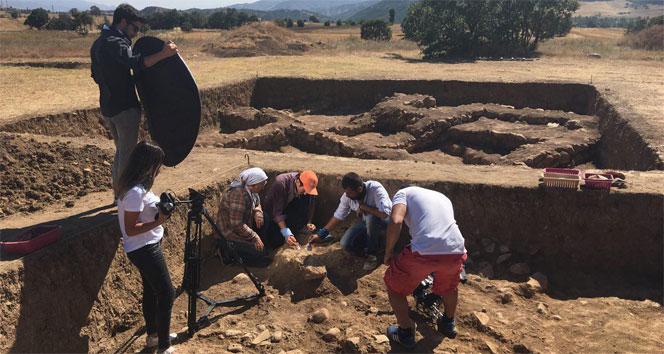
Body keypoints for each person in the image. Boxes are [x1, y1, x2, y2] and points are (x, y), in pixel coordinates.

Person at [91, 3, 178, 196]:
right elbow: (137, 63)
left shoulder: (98, 43)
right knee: (128, 157)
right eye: (135, 28)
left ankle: (118, 194)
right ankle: (124, 198)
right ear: (123, 22)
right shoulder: (116, 43)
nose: (136, 33)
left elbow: (96, 76)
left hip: (107, 107)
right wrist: (163, 54)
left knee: (121, 152)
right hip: (124, 108)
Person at [383, 186, 467, 349]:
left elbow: (396, 221)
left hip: (424, 250)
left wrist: (388, 251)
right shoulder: (443, 197)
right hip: (455, 248)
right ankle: (448, 322)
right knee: (449, 287)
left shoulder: (402, 194)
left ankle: (405, 333)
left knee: (394, 287)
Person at [116, 141, 176, 354]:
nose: (159, 170)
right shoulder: (134, 192)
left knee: (151, 291)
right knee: (167, 293)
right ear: (148, 164)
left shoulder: (137, 187)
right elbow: (131, 229)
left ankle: (154, 336)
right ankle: (164, 346)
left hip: (148, 244)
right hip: (144, 248)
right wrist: (159, 221)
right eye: (157, 165)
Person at [309, 172, 392, 270]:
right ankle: (372, 248)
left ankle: (372, 255)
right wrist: (320, 234)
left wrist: (364, 207)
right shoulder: (347, 196)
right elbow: (338, 216)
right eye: (346, 192)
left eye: (350, 193)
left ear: (359, 189)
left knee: (371, 217)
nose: (347, 195)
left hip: (385, 223)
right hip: (366, 223)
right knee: (345, 243)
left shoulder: (375, 189)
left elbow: (384, 214)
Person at [216, 167, 269, 263]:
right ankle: (226, 253)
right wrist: (254, 237)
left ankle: (260, 247)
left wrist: (258, 212)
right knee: (259, 254)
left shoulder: (251, 191)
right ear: (252, 185)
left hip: (241, 227)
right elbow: (236, 224)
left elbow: (257, 203)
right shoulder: (238, 195)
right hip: (229, 233)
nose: (264, 187)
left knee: (264, 217)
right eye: (262, 184)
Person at [260, 171, 318, 249]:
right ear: (297, 182)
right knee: (276, 241)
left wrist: (309, 222)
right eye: (304, 190)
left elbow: (312, 203)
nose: (305, 193)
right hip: (274, 214)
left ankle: (299, 226)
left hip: (291, 211)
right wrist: (286, 233)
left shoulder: (308, 184)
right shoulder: (280, 183)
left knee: (306, 196)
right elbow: (277, 212)